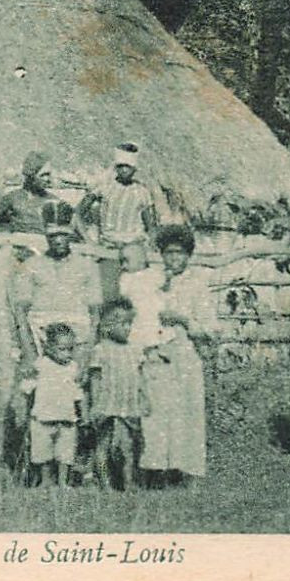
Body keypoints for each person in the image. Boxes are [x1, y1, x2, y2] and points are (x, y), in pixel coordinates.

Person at [125, 223, 213, 485]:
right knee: (157, 412)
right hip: (156, 353)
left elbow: (208, 328)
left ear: (189, 255)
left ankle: (187, 473)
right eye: (169, 253)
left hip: (186, 352)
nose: (174, 259)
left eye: (180, 253)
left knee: (188, 412)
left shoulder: (198, 284)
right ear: (161, 255)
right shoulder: (152, 280)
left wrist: (183, 319)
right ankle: (156, 472)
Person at [12, 200, 102, 353]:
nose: (58, 240)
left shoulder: (87, 266)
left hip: (78, 333)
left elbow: (95, 314)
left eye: (63, 234)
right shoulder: (31, 265)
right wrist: (28, 350)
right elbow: (21, 311)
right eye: (53, 235)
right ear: (46, 236)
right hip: (40, 332)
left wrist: (87, 352)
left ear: (71, 235)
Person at [82, 142, 160, 305]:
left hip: (134, 251)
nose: (124, 170)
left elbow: (150, 226)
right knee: (108, 296)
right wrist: (88, 240)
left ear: (134, 169)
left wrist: (152, 244)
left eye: (128, 167)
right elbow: (78, 213)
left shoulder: (142, 192)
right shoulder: (104, 187)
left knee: (134, 297)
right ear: (116, 167)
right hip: (108, 249)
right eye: (121, 166)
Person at [83, 296, 147, 491]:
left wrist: (144, 398)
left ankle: (128, 482)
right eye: (122, 323)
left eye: (130, 323)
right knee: (102, 443)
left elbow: (140, 377)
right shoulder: (100, 350)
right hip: (106, 402)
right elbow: (95, 379)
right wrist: (95, 405)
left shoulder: (134, 350)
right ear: (107, 325)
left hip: (128, 402)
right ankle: (105, 484)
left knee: (128, 445)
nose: (127, 328)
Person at [17, 322, 84, 488]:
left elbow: (77, 393)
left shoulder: (72, 368)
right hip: (43, 418)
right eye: (62, 349)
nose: (67, 354)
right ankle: (45, 481)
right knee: (43, 453)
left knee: (66, 454)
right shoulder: (42, 366)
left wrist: (83, 412)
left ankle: (63, 482)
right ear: (49, 348)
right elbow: (28, 386)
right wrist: (23, 405)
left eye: (70, 349)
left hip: (66, 418)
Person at [0, 151, 55, 236]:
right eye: (43, 175)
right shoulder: (11, 199)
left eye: (49, 175)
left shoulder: (53, 201)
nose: (48, 179)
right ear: (31, 175)